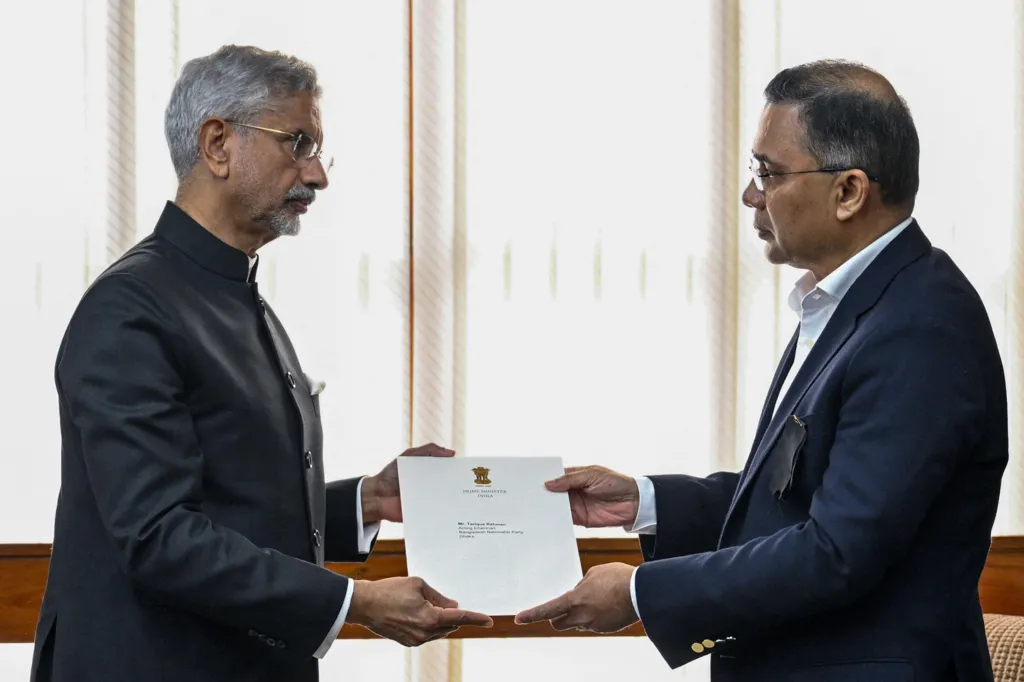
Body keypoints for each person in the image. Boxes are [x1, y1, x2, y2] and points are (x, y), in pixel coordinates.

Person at [516, 59, 1008, 681]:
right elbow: (791, 498)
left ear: (849, 191)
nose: (751, 195)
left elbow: (837, 551)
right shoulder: (856, 302)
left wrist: (642, 593)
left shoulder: (921, 326)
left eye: (767, 173)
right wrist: (642, 502)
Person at [30, 45, 491, 682]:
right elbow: (158, 536)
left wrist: (367, 502)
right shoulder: (130, 309)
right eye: (298, 142)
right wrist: (354, 602)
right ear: (217, 143)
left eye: (318, 149)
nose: (318, 174)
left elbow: (238, 506)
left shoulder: (235, 291)